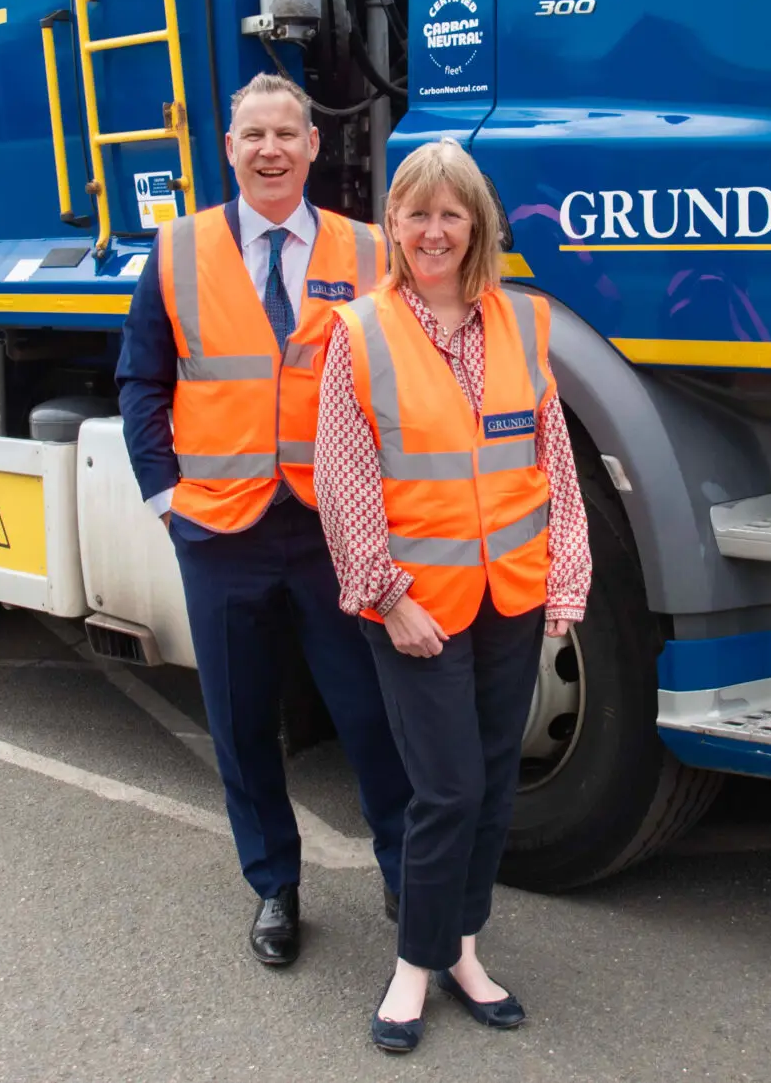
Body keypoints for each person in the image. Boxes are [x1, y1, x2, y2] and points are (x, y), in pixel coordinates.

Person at [115, 73, 413, 968]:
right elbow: (141, 381)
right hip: (220, 532)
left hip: (337, 532)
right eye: (254, 135)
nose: (271, 149)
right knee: (242, 723)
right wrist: (166, 498)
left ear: (315, 147)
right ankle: (274, 887)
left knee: (370, 713)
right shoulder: (175, 251)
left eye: (288, 133)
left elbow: (406, 381)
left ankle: (407, 872)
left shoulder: (368, 252)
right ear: (230, 148)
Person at [313, 138, 591, 1054]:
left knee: (494, 786)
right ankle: (412, 964)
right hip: (416, 607)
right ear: (391, 225)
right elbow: (345, 482)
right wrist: (388, 599)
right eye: (416, 213)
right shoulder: (359, 332)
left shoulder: (524, 321)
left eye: (451, 213)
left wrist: (568, 572)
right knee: (446, 789)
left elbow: (553, 457)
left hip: (509, 593)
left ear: (477, 225)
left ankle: (464, 949)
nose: (433, 230)